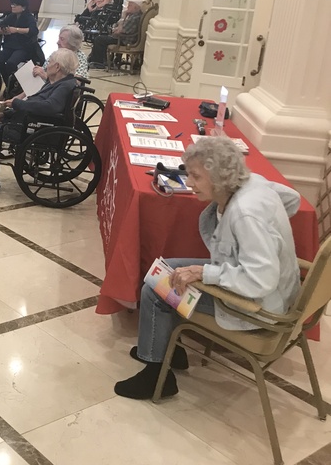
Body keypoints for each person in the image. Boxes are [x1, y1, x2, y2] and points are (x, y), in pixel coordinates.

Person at [114, 137, 301, 400]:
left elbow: (261, 279)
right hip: (265, 288)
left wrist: (206, 272)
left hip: (260, 305)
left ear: (220, 178)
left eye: (196, 176)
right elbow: (292, 199)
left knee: (157, 289)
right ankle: (166, 349)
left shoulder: (245, 214)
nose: (189, 183)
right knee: (166, 270)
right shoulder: (253, 182)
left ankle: (157, 376)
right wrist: (265, 236)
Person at [0, 48, 78, 198]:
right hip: (29, 122)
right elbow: (36, 103)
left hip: (31, 128)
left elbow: (49, 107)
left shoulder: (63, 86)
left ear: (57, 67)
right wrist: (7, 113)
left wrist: (17, 104)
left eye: (50, 62)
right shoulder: (59, 83)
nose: (46, 65)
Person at [0, 0, 41, 82]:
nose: (13, 6)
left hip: (23, 47)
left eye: (15, 5)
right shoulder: (12, 16)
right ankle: (7, 81)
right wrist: (3, 30)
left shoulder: (29, 17)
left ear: (23, 7)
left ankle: (13, 82)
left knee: (11, 63)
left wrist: (16, 30)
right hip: (9, 45)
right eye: (12, 4)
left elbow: (34, 30)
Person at [88, 0, 144, 68]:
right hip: (122, 37)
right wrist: (116, 28)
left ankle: (98, 62)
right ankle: (96, 59)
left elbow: (119, 31)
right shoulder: (132, 15)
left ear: (136, 7)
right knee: (101, 36)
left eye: (130, 5)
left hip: (124, 40)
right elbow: (117, 26)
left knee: (99, 39)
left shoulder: (134, 18)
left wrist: (123, 17)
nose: (127, 7)